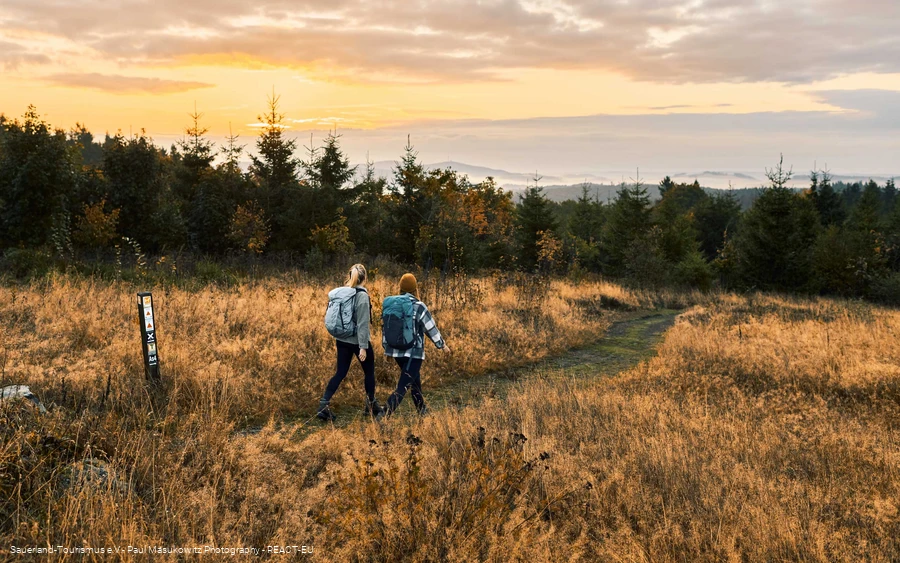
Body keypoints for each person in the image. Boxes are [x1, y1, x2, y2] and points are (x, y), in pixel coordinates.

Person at [318, 264, 382, 422]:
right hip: (356, 341)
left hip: (341, 339)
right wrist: (363, 347)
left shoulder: (343, 293)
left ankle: (323, 405)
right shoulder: (361, 296)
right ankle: (371, 405)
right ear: (365, 278)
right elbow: (362, 324)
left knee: (340, 372)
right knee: (369, 372)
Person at [383, 273, 450, 416]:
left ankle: (422, 411)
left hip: (397, 352)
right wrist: (442, 345)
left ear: (400, 287)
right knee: (403, 386)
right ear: (415, 289)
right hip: (414, 353)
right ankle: (382, 416)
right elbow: (430, 328)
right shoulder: (419, 306)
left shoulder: (393, 305)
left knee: (414, 380)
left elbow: (386, 328)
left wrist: (388, 351)